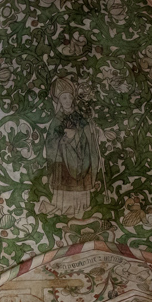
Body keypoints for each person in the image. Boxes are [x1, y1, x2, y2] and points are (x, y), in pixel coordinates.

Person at [37, 77, 104, 218]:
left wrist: (84, 132)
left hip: (81, 160)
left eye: (69, 97)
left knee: (80, 200)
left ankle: (80, 210)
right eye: (64, 98)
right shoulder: (57, 120)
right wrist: (64, 140)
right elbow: (51, 143)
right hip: (62, 162)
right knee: (64, 188)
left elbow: (88, 136)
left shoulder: (80, 118)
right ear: (59, 101)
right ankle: (63, 210)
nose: (67, 101)